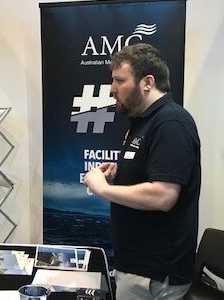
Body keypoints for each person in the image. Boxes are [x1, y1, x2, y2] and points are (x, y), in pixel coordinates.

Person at [83, 44, 201, 300]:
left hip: (155, 276)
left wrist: (104, 189)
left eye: (119, 80)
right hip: (137, 268)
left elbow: (163, 195)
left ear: (147, 82)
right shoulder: (143, 122)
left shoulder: (171, 123)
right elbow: (149, 178)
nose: (112, 89)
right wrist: (120, 177)